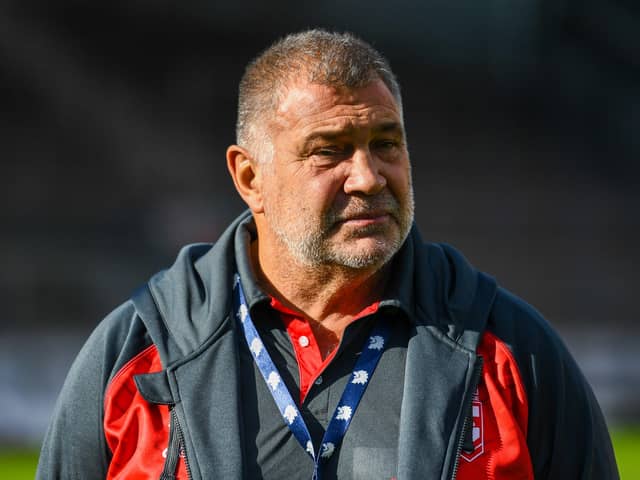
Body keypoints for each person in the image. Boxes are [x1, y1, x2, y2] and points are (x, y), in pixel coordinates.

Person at [37, 29, 618, 480]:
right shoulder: (137, 354)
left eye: (385, 144)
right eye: (329, 151)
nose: (368, 177)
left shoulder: (513, 350)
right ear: (249, 176)